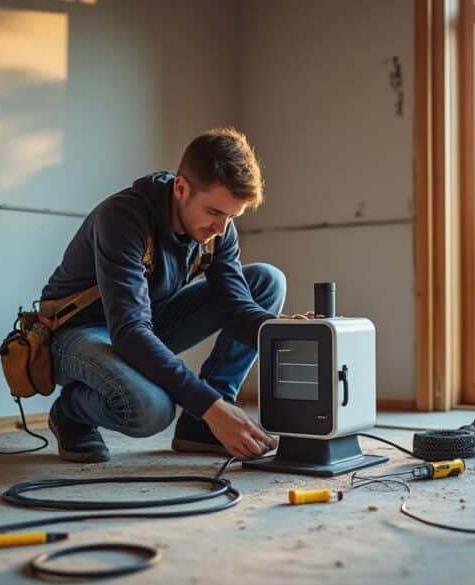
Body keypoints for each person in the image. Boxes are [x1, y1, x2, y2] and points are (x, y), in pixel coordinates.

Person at [40, 127, 309, 463]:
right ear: (181, 188)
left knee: (266, 280)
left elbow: (237, 307)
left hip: (143, 323)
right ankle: (70, 412)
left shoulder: (218, 230)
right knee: (152, 409)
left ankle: (200, 428)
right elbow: (129, 332)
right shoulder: (123, 218)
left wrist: (280, 332)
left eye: (232, 216)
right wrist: (212, 405)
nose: (222, 228)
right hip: (78, 335)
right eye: (214, 212)